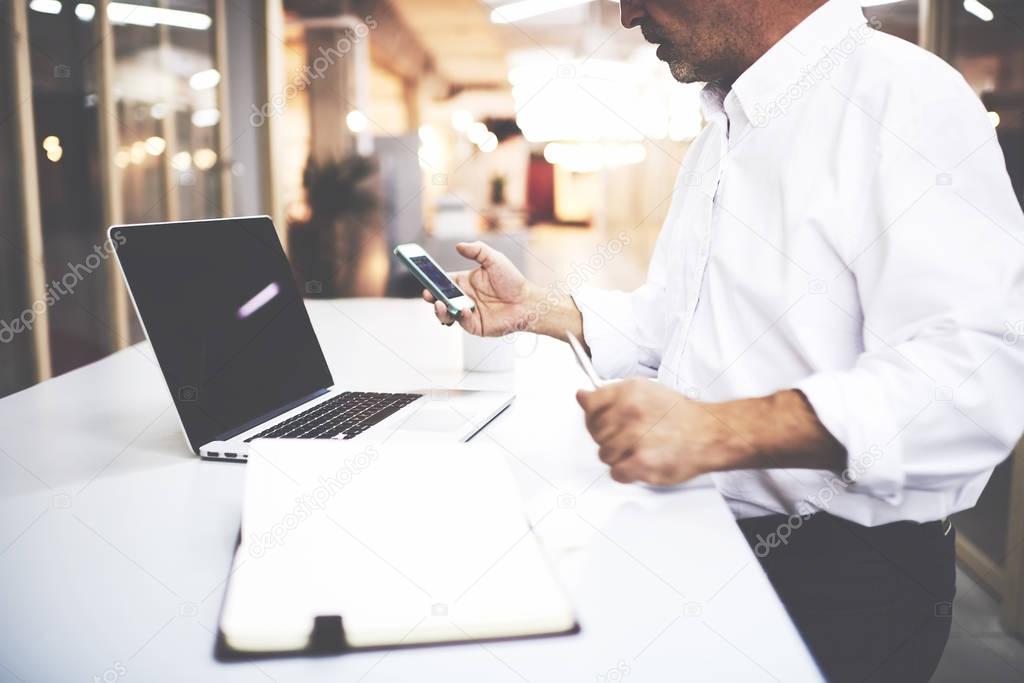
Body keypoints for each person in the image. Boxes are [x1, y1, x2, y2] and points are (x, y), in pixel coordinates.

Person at [421, 0, 1024, 680]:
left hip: (846, 573)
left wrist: (723, 430)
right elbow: (676, 322)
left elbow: (976, 377)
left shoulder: (904, 97)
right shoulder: (724, 131)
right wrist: (539, 308)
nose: (626, 16)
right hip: (713, 533)